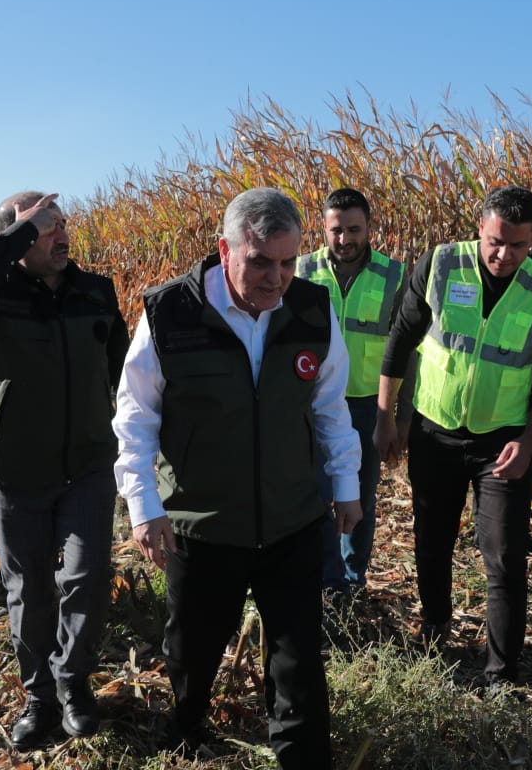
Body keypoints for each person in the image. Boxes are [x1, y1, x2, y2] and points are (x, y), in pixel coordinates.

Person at [113, 187, 362, 767]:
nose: (277, 278)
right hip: (202, 526)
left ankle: (299, 754)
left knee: (298, 658)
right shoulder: (169, 313)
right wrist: (144, 506)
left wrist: (345, 487)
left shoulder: (312, 310)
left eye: (288, 262)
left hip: (292, 519)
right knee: (193, 650)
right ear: (225, 250)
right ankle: (186, 730)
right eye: (261, 262)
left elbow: (330, 409)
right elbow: (135, 418)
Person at [0, 192, 127, 749]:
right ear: (13, 238)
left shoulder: (94, 289)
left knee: (89, 576)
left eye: (62, 224)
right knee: (28, 589)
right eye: (43, 227)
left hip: (89, 463)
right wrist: (20, 233)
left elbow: (120, 367)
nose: (60, 235)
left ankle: (72, 681)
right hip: (16, 469)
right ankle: (38, 696)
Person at [375, 185, 532, 686]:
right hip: (435, 434)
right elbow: (401, 338)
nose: (505, 256)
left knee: (502, 555)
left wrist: (527, 444)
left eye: (519, 246)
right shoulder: (440, 265)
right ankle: (435, 631)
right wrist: (386, 416)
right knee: (431, 541)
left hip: (501, 444)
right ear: (480, 228)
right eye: (496, 242)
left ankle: (502, 672)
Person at [295, 187, 406, 594]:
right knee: (315, 496)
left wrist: (394, 416)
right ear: (323, 229)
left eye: (353, 230)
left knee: (359, 498)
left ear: (369, 228)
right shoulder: (301, 271)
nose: (345, 240)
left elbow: (406, 353)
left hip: (365, 405)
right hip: (310, 405)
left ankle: (353, 578)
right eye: (336, 231)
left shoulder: (395, 275)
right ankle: (327, 579)